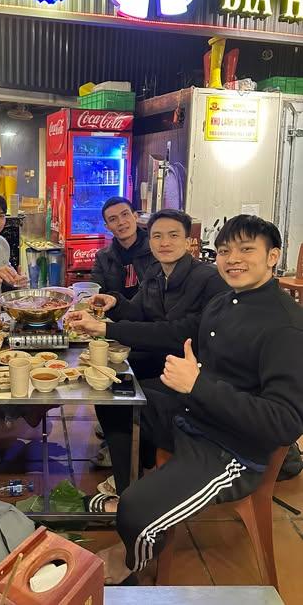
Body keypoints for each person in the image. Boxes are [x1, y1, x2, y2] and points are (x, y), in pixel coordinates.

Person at [94, 215, 303, 584]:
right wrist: (107, 327)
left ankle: (130, 560)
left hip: (231, 449)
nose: (233, 259)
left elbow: (284, 423)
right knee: (116, 400)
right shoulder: (224, 301)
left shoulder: (285, 325)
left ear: (273, 256)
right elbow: (174, 333)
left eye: (246, 249)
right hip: (192, 416)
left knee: (134, 511)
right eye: (224, 251)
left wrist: (197, 385)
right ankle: (135, 491)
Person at [68, 209, 228, 380]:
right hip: (155, 361)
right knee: (90, 373)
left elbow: (180, 334)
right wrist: (114, 302)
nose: (164, 243)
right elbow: (137, 312)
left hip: (190, 374)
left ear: (188, 242)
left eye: (173, 235)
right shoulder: (155, 272)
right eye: (157, 236)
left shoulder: (210, 278)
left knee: (110, 385)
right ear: (150, 243)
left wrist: (105, 328)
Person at [92, 197, 154, 299]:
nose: (121, 222)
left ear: (135, 216)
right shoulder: (102, 257)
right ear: (107, 227)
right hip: (115, 308)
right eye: (113, 219)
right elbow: (97, 293)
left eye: (125, 214)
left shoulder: (155, 248)